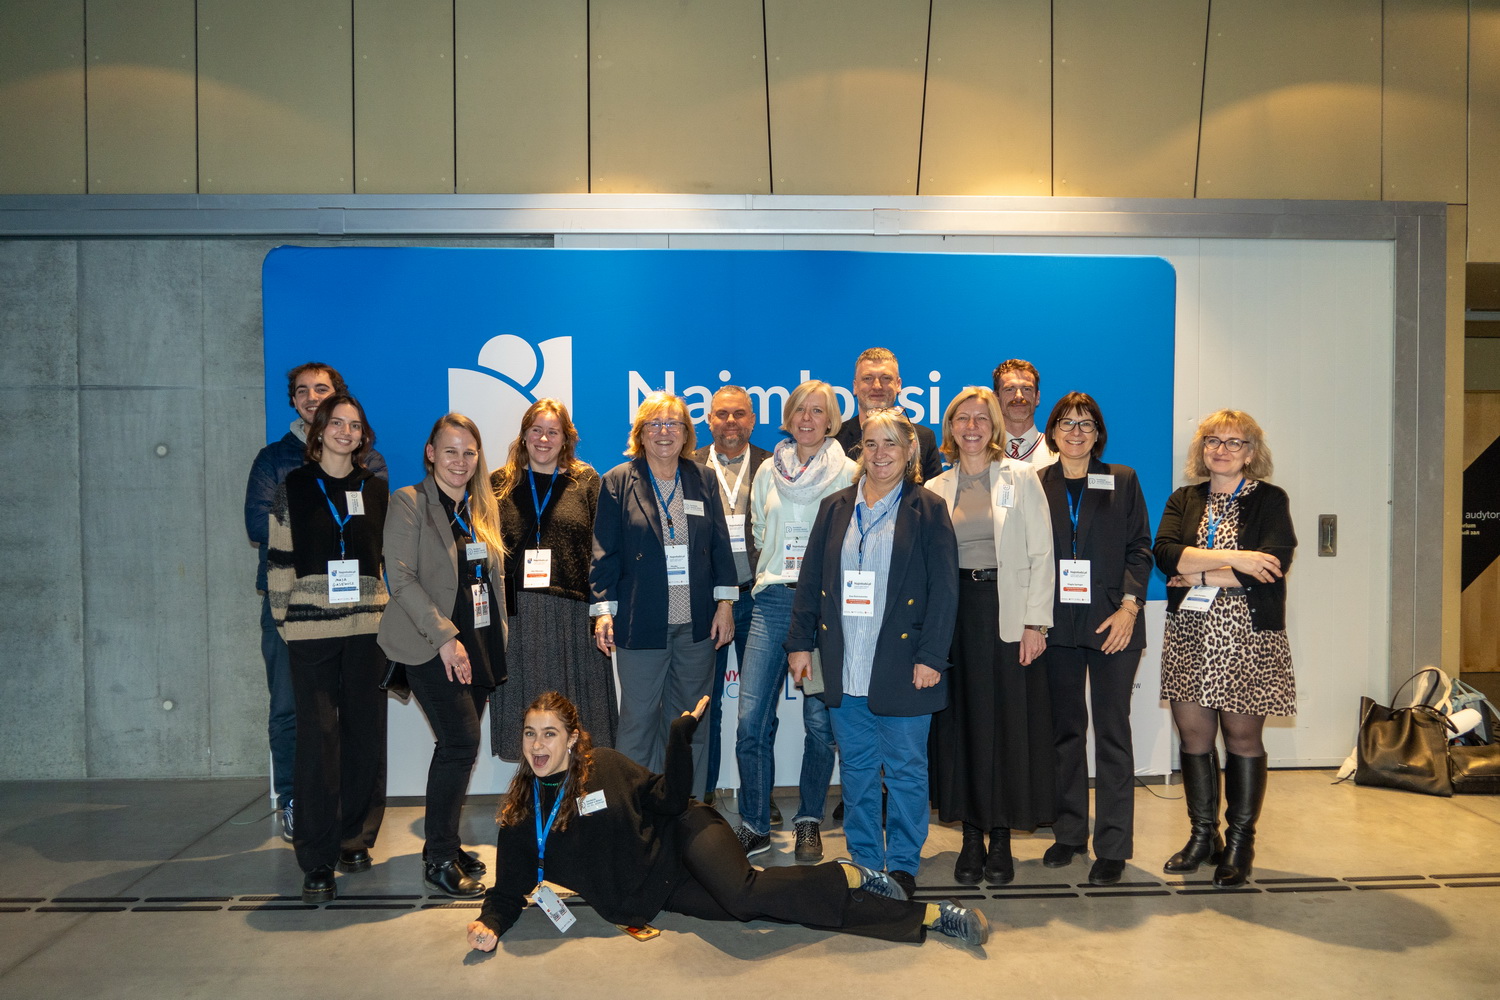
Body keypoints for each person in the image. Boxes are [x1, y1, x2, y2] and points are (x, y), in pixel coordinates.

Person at [464, 692, 987, 951]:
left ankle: (921, 910)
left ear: (573, 738)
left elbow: (669, 799)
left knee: (743, 892)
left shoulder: (603, 766)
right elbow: (509, 890)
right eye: (530, 734)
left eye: (550, 734)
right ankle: (892, 900)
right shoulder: (519, 813)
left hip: (686, 834)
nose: (538, 746)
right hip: (659, 891)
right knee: (767, 908)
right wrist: (490, 924)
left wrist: (679, 738)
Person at [786, 408, 959, 897]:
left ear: (910, 451)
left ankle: (902, 863)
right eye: (871, 443)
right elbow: (810, 582)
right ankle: (864, 860)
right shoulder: (835, 507)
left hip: (904, 665)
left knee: (905, 771)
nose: (880, 453)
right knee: (858, 770)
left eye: (891, 443)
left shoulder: (928, 509)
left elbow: (945, 592)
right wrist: (799, 645)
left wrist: (932, 657)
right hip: (844, 663)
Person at [245, 361, 386, 841]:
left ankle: (348, 822)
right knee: (297, 715)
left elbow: (376, 542)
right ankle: (295, 803)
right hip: (298, 613)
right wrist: (288, 616)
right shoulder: (277, 463)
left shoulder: (373, 473)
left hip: (360, 619)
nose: (311, 397)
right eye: (302, 391)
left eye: (321, 389)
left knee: (359, 725)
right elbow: (260, 526)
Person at [1154, 409, 1296, 887]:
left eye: (1235, 442)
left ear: (1251, 453)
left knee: (1242, 740)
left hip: (1247, 637)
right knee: (1194, 739)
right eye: (1213, 440)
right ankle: (1202, 837)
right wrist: (1237, 560)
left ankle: (1239, 843)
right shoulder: (1184, 498)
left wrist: (1197, 574)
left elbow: (1272, 566)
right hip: (1190, 635)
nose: (1222, 450)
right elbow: (1166, 555)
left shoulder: (1270, 499)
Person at [924, 387, 1055, 885]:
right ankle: (970, 835)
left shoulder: (1020, 477)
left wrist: (1035, 623)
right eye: (963, 418)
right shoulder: (935, 487)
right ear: (951, 428)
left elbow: (1042, 553)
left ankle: (1000, 836)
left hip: (1007, 613)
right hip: (952, 616)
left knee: (1004, 724)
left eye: (982, 418)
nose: (972, 426)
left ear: (995, 425)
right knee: (959, 725)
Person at [266, 393, 389, 903]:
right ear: (319, 430)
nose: (345, 432)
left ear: (363, 435)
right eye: (336, 423)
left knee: (365, 735)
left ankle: (354, 839)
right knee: (318, 742)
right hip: (310, 632)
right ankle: (317, 859)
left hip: (368, 631)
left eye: (354, 425)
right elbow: (279, 559)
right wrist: (286, 621)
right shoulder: (293, 486)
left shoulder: (375, 489)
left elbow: (385, 561)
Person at [378, 413, 507, 898]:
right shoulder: (409, 502)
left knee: (457, 749)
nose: (460, 461)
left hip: (478, 644)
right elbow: (400, 578)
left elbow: (491, 579)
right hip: (431, 643)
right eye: (450, 451)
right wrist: (446, 638)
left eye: (469, 452)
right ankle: (438, 859)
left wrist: (498, 639)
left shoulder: (479, 507)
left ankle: (445, 844)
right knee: (459, 743)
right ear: (431, 453)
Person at [590, 391, 738, 798]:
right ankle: (635, 810)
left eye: (673, 423)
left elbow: (720, 546)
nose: (664, 432)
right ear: (640, 433)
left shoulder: (703, 478)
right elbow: (604, 552)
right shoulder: (619, 480)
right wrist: (603, 612)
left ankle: (686, 809)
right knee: (637, 722)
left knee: (691, 723)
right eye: (654, 424)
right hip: (641, 621)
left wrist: (725, 604)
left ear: (686, 433)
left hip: (696, 625)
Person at [734, 380, 855, 862]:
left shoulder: (849, 471)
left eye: (818, 411)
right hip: (771, 603)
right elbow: (760, 531)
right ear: (788, 418)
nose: (808, 418)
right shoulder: (768, 470)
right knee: (750, 721)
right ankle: (754, 824)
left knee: (819, 723)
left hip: (824, 611)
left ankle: (808, 820)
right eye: (800, 410)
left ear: (831, 421)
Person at [1036, 392, 1152, 886]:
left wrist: (1129, 607)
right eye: (1066, 423)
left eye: (1086, 424)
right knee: (1065, 733)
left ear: (1098, 433)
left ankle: (1113, 846)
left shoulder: (1122, 479)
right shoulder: (1038, 483)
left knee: (1112, 732)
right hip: (1057, 624)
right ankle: (1068, 834)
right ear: (1052, 431)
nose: (1076, 432)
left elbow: (1140, 549)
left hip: (1113, 623)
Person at [488, 399, 615, 760]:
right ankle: (532, 789)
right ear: (524, 435)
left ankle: (579, 790)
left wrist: (602, 609)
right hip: (519, 617)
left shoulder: (585, 481)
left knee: (579, 718)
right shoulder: (499, 483)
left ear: (566, 439)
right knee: (530, 713)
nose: (544, 439)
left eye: (553, 432)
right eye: (536, 430)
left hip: (574, 614)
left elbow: (602, 549)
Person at [693, 386, 770, 803]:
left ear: (752, 420)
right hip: (708, 601)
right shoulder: (689, 466)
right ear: (709, 420)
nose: (730, 422)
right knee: (707, 706)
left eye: (739, 414)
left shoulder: (773, 466)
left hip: (759, 597)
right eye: (722, 414)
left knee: (757, 710)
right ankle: (702, 796)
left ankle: (759, 796)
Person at [833, 347, 944, 481]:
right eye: (868, 378)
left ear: (898, 384)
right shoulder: (835, 440)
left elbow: (932, 492)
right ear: (855, 386)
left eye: (886, 378)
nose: (877, 386)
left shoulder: (924, 439)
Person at [991, 359, 1058, 468]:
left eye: (1026, 389)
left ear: (1037, 397)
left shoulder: (1058, 451)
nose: (1018, 396)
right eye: (1009, 389)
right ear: (996, 398)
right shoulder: (982, 451)